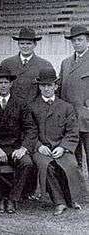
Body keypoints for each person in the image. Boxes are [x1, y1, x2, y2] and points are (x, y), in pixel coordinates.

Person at [30, 68, 84, 216]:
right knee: (46, 165)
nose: (46, 88)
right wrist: (39, 146)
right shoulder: (32, 107)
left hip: (61, 147)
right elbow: (29, 132)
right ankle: (59, 202)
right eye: (43, 85)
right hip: (42, 149)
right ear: (39, 87)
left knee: (70, 165)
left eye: (50, 85)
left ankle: (72, 198)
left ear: (56, 86)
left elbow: (72, 132)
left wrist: (63, 147)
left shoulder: (66, 107)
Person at [0, 66, 36, 213]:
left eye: (6, 82)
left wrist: (23, 148)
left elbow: (30, 128)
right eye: (0, 83)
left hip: (15, 147)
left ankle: (13, 198)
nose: (3, 85)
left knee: (27, 163)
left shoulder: (20, 103)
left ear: (11, 84)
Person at [59, 25, 89, 169]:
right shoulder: (66, 63)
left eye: (80, 40)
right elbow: (61, 89)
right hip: (69, 119)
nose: (77, 43)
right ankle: (78, 189)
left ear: (87, 41)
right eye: (74, 40)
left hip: (86, 118)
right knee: (73, 160)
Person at [0, 27, 54, 103]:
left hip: (35, 109)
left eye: (28, 43)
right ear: (18, 44)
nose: (25, 46)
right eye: (22, 43)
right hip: (12, 109)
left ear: (35, 44)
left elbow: (50, 91)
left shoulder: (45, 65)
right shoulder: (6, 64)